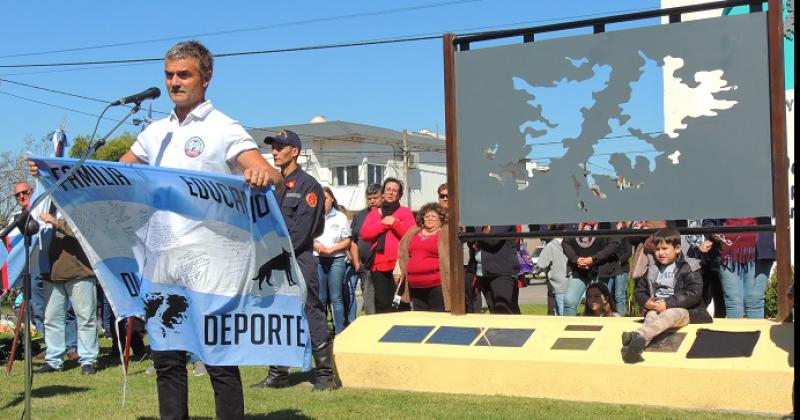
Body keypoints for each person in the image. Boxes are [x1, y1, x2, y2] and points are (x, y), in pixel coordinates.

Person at [31, 40, 282, 420]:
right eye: (168, 75)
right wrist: (61, 173)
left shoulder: (223, 127)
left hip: (211, 262)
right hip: (162, 258)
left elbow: (264, 168)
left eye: (184, 74)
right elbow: (114, 174)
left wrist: (261, 170)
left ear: (206, 78)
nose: (174, 82)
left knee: (218, 358)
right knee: (167, 358)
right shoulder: (156, 131)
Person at [252, 129, 335, 392]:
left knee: (311, 311)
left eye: (280, 147)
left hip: (298, 259)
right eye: (273, 147)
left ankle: (325, 374)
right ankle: (278, 374)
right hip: (273, 258)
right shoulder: (271, 186)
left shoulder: (308, 185)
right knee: (277, 315)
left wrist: (276, 250)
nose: (274, 152)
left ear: (294, 151)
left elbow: (304, 230)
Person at [622, 227, 712, 363]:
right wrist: (646, 302)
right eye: (657, 249)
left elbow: (694, 293)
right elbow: (639, 291)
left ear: (677, 249)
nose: (660, 253)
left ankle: (637, 335)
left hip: (684, 310)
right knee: (651, 317)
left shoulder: (688, 267)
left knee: (669, 315)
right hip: (657, 307)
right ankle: (636, 348)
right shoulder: (652, 269)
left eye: (665, 249)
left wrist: (668, 303)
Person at [34, 214, 99, 375]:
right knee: (52, 319)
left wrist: (56, 222)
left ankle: (88, 360)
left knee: (86, 319)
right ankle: (53, 360)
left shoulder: (75, 202)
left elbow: (86, 230)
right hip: (51, 272)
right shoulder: (45, 205)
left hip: (80, 272)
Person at [359, 178, 415, 313]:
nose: (391, 193)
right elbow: (365, 234)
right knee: (382, 303)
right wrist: (384, 224)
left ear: (399, 195)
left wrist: (395, 224)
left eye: (395, 190)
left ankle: (403, 333)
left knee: (400, 303)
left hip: (399, 265)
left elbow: (411, 236)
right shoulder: (375, 213)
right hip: (379, 265)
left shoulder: (405, 212)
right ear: (383, 193)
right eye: (388, 189)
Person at [710, 218, 775, 319]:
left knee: (755, 302)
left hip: (759, 252)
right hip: (728, 253)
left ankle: (756, 333)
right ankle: (736, 334)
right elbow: (710, 219)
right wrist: (713, 232)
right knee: (733, 302)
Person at [396, 203, 451, 312]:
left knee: (438, 317)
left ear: (441, 219)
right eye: (427, 216)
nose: (430, 218)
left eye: (434, 216)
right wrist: (398, 271)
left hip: (436, 285)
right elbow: (403, 254)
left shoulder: (446, 232)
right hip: (415, 285)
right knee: (421, 320)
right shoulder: (414, 232)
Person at [561, 222, 620, 316]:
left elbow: (614, 244)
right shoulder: (573, 222)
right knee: (569, 302)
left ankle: (603, 327)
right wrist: (576, 259)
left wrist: (593, 259)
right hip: (578, 269)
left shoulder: (607, 223)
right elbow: (565, 243)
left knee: (600, 302)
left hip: (601, 269)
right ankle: (568, 328)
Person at [314, 187, 351, 335]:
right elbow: (307, 237)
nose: (324, 201)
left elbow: (347, 241)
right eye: (320, 198)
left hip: (336, 259)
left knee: (336, 298)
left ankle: (339, 333)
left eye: (326, 198)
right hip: (318, 259)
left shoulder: (341, 217)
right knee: (321, 298)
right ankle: (322, 333)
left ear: (332, 199)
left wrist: (331, 249)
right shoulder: (313, 216)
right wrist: (315, 246)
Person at [468, 225, 519, 314]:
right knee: (494, 312)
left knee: (503, 311)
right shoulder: (482, 224)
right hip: (484, 272)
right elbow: (472, 240)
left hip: (501, 272)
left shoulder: (502, 219)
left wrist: (475, 231)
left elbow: (493, 240)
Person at [348, 184, 382, 316]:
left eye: (375, 197)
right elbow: (354, 241)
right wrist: (356, 264)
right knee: (369, 303)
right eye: (369, 198)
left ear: (382, 198)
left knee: (384, 303)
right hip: (366, 266)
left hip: (384, 266)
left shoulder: (387, 213)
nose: (372, 201)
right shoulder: (359, 216)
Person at [537, 225, 569, 316]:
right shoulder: (570, 243)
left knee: (561, 314)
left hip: (558, 285)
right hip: (571, 282)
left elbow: (541, 264)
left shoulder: (550, 246)